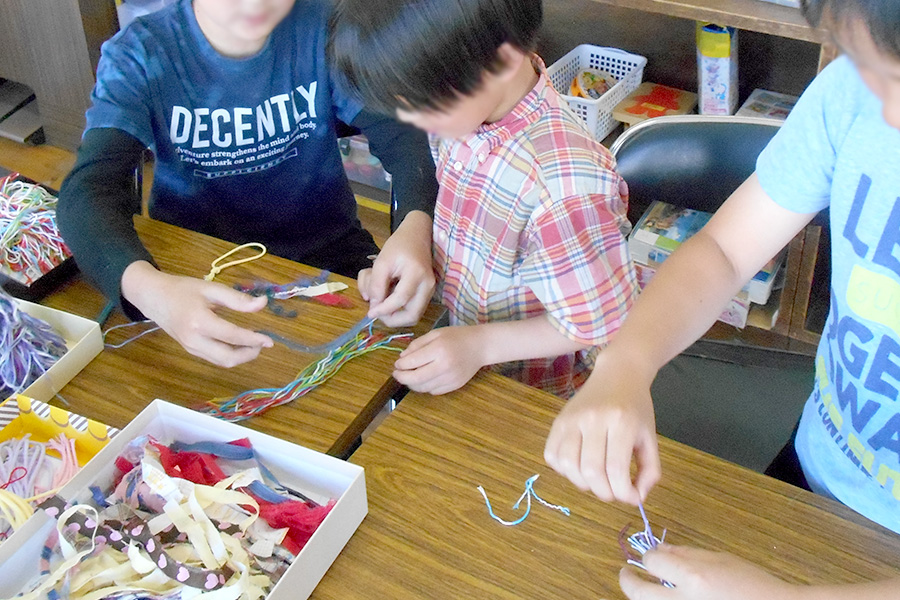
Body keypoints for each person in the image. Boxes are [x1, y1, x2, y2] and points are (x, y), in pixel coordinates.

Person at [544, 0, 900, 596]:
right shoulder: (853, 95)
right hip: (821, 467)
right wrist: (625, 364)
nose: (887, 115)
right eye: (875, 69)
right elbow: (725, 251)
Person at [57, 0, 439, 368]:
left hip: (329, 255)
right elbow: (88, 191)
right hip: (191, 269)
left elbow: (406, 139)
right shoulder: (141, 54)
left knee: (387, 365)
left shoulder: (326, 29)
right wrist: (150, 290)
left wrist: (414, 225)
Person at [329, 0, 638, 398]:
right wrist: (415, 243)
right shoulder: (467, 111)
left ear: (502, 62)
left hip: (525, 396)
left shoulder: (564, 188)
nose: (410, 121)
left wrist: (481, 346)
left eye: (419, 103)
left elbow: (601, 321)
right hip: (459, 349)